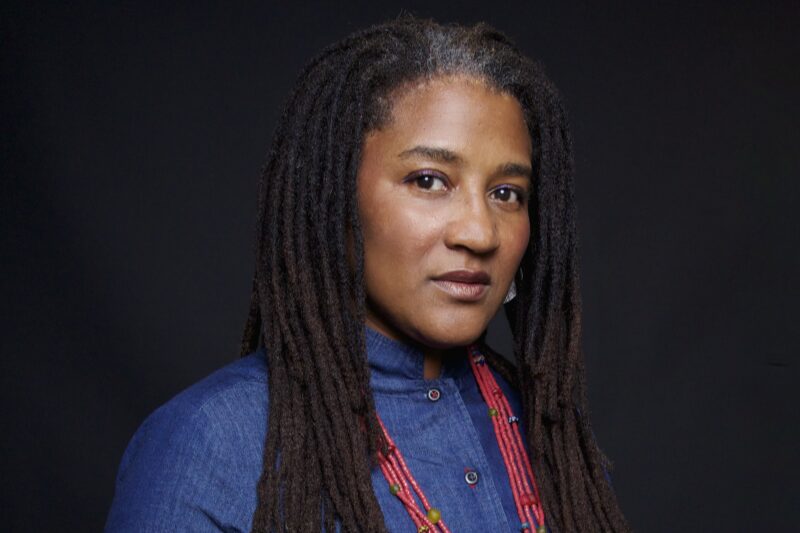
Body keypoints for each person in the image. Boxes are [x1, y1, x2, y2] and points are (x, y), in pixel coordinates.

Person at [105, 16, 629, 533]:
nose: (480, 232)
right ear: (336, 198)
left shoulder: (543, 426)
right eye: (429, 181)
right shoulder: (213, 442)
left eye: (506, 193)